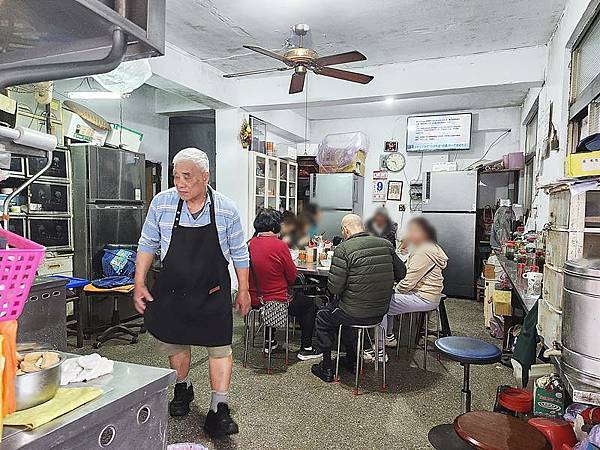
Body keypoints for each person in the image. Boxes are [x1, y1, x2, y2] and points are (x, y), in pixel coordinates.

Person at [134, 147, 250, 438]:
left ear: (205, 177)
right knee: (176, 344)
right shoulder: (162, 204)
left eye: (188, 177)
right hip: (173, 291)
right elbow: (147, 244)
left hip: (212, 292)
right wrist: (139, 283)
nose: (181, 183)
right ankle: (182, 388)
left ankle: (218, 409)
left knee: (220, 347)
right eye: (176, 177)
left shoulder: (225, 208)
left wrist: (244, 289)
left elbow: (239, 253)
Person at [311, 214, 406, 382]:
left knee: (323, 316)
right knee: (344, 314)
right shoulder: (385, 244)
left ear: (345, 230)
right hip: (380, 311)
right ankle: (353, 360)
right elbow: (402, 273)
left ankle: (326, 368)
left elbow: (334, 288)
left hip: (353, 312)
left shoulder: (343, 249)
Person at [248, 209, 322, 360]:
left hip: (255, 299)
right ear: (276, 227)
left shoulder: (249, 244)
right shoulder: (279, 246)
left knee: (271, 299)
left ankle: (270, 341)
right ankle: (306, 348)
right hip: (277, 300)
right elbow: (291, 276)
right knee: (309, 305)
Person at [378, 217, 448, 350]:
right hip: (431, 295)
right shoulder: (431, 247)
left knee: (381, 303)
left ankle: (379, 349)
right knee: (388, 298)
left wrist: (396, 289)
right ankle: (389, 336)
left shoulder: (422, 251)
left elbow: (408, 282)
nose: (407, 235)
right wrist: (404, 248)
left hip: (423, 297)